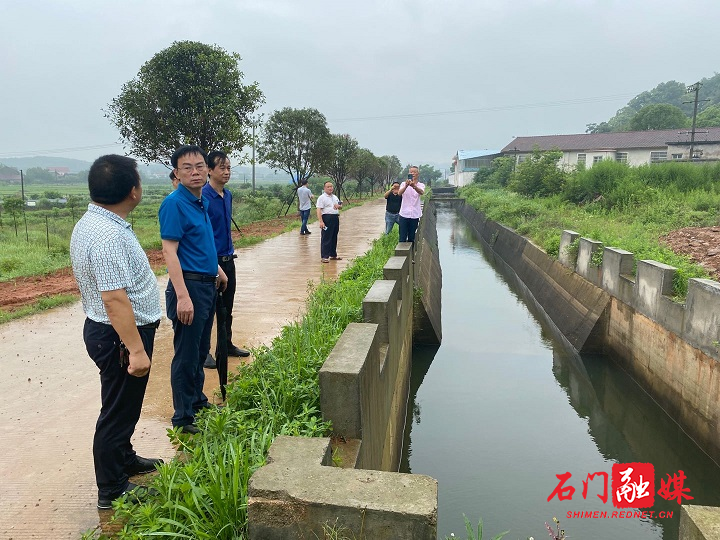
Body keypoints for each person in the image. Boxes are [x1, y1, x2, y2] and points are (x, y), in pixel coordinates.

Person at [70, 154, 163, 509]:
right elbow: (114, 300)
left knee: (122, 405)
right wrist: (137, 350)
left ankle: (124, 459)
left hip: (111, 332)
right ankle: (111, 489)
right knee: (117, 412)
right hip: (119, 336)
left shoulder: (92, 223)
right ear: (133, 191)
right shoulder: (108, 235)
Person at [159, 145, 228, 434]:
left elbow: (202, 243)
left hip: (206, 283)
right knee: (186, 354)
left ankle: (197, 401)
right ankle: (183, 417)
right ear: (176, 172)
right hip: (188, 287)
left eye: (199, 166)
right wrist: (183, 297)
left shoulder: (201, 201)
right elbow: (169, 251)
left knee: (200, 350)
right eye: (187, 167)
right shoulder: (174, 203)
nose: (195, 171)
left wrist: (218, 270)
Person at [201, 150, 250, 371]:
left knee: (227, 306)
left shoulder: (227, 195)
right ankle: (203, 352)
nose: (226, 172)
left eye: (229, 168)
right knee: (208, 308)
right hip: (211, 261)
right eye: (222, 167)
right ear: (209, 170)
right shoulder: (203, 196)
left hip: (229, 259)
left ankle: (226, 345)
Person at [316, 181, 342, 263]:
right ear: (324, 188)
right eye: (328, 187)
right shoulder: (322, 198)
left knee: (334, 236)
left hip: (335, 218)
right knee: (326, 237)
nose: (330, 188)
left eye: (331, 186)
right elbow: (318, 209)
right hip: (327, 218)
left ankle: (333, 254)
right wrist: (321, 221)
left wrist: (339, 206)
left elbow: (340, 206)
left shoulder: (335, 197)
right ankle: (324, 256)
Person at [398, 165, 425, 244]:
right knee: (402, 236)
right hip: (404, 214)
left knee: (412, 236)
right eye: (411, 172)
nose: (413, 173)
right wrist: (406, 186)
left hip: (415, 214)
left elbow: (421, 192)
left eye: (414, 172)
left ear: (418, 174)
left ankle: (411, 253)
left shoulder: (421, 185)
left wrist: (414, 186)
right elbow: (399, 193)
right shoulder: (403, 184)